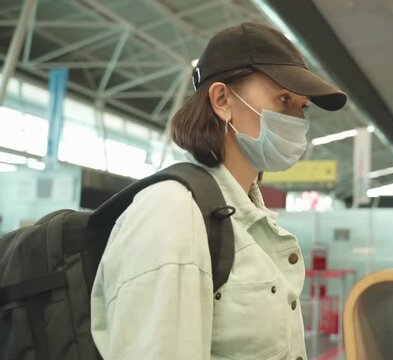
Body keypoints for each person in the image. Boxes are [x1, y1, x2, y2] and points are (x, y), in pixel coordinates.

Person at [90, 22, 347, 360]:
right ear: (223, 100)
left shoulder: (244, 216)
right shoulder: (173, 214)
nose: (297, 120)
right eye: (284, 99)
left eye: (303, 107)